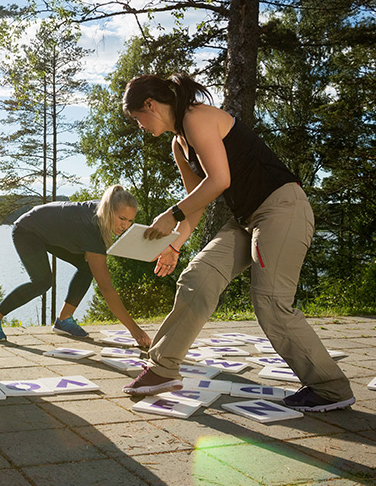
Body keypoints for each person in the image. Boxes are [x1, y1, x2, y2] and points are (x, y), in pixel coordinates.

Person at [120, 73, 355, 412]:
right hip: (246, 220)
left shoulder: (197, 117)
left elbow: (219, 180)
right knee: (197, 278)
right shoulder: (178, 144)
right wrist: (174, 245)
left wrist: (171, 215)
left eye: (136, 118)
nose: (138, 125)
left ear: (150, 105)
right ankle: (162, 369)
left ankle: (331, 388)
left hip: (281, 208)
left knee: (271, 301)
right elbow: (195, 203)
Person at [0, 185, 153, 347]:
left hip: (51, 233)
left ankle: (64, 320)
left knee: (87, 267)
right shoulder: (92, 228)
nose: (125, 225)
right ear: (108, 210)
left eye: (130, 220)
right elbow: (106, 288)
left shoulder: (101, 218)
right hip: (27, 230)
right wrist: (134, 330)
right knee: (42, 281)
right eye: (122, 218)